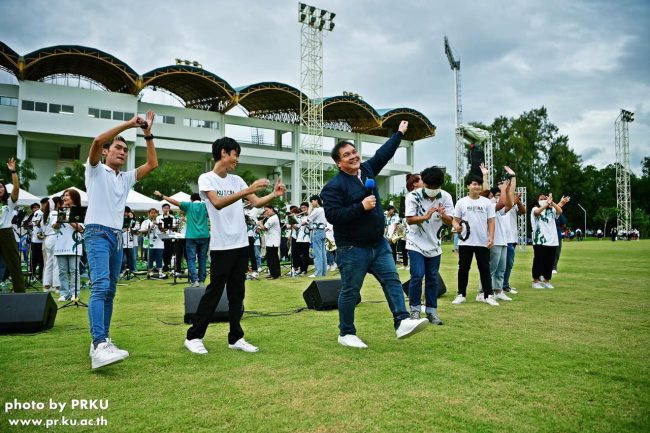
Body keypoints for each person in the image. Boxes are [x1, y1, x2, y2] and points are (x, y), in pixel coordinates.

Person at [321, 120, 428, 349]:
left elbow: (384, 153)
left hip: (378, 244)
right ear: (339, 163)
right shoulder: (333, 187)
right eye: (347, 155)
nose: (353, 156)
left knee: (392, 280)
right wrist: (361, 207)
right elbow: (332, 215)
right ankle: (346, 332)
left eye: (354, 151)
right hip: (352, 248)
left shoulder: (368, 170)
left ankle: (402, 321)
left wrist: (398, 134)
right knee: (350, 290)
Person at [184, 137, 286, 355]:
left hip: (241, 243)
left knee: (237, 293)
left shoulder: (237, 180)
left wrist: (273, 195)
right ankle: (194, 336)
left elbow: (256, 202)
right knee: (213, 292)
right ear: (223, 153)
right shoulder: (206, 179)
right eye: (235, 155)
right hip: (221, 246)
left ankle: (236, 337)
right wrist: (248, 189)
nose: (236, 160)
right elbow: (218, 203)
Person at [84, 111, 158, 369]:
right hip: (96, 232)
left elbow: (152, 165)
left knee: (110, 291)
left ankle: (101, 340)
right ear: (106, 152)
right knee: (101, 286)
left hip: (116, 236)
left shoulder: (124, 178)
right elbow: (95, 142)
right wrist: (129, 124)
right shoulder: (95, 170)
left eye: (126, 150)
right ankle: (99, 343)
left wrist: (147, 133)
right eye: (117, 147)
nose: (122, 152)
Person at [404, 166, 454, 325]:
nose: (432, 190)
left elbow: (451, 221)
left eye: (436, 187)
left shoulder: (446, 197)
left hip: (435, 244)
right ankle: (415, 310)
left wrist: (443, 214)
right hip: (415, 242)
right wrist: (425, 216)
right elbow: (410, 219)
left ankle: (431, 312)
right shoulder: (413, 196)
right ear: (423, 182)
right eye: (429, 186)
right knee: (417, 275)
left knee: (432, 278)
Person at [451, 174, 499, 306]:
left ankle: (488, 295)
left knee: (484, 268)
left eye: (478, 184)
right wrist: (456, 226)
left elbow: (491, 221)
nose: (477, 186)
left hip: (482, 241)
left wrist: (491, 237)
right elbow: (455, 220)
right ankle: (461, 294)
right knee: (463, 268)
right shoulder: (461, 202)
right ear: (468, 186)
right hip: (465, 241)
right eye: (474, 184)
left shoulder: (486, 202)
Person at [155, 191, 209, 287]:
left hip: (191, 236)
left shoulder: (189, 205)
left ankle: (194, 280)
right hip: (204, 235)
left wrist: (162, 195)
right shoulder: (205, 205)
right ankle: (201, 281)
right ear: (200, 199)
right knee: (202, 259)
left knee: (191, 258)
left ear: (191, 200)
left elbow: (174, 202)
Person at [531, 193, 569, 289]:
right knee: (538, 261)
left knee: (549, 262)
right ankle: (535, 281)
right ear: (538, 200)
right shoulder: (535, 209)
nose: (544, 199)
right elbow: (537, 213)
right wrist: (547, 204)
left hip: (552, 241)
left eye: (545, 198)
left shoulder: (552, 209)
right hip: (539, 240)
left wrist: (552, 203)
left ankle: (547, 280)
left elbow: (560, 210)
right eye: (541, 198)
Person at [52, 189, 84, 302]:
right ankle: (64, 293)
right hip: (60, 244)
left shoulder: (79, 210)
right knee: (62, 271)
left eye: (67, 195)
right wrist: (59, 219)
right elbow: (55, 227)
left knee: (74, 270)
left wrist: (68, 218)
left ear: (74, 198)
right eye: (64, 195)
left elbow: (80, 228)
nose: (65, 198)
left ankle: (74, 293)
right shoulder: (60, 211)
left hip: (74, 245)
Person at [0, 158, 25, 292]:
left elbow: (16, 188)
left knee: (14, 264)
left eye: (1, 186)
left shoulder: (9, 202)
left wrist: (13, 171)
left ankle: (20, 294)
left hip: (5, 233)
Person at [41, 196, 61, 293]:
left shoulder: (47, 214)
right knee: (56, 262)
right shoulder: (54, 213)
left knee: (49, 262)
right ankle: (57, 286)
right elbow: (55, 226)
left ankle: (47, 285)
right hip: (54, 237)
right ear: (57, 204)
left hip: (48, 238)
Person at [140, 208, 165, 278]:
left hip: (159, 242)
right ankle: (150, 271)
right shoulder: (145, 222)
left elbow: (164, 230)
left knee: (159, 257)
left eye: (155, 213)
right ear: (149, 214)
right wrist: (151, 227)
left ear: (157, 214)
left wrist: (158, 225)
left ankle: (159, 270)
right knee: (150, 257)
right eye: (152, 213)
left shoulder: (160, 221)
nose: (153, 214)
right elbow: (143, 232)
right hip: (149, 242)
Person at [259, 205, 281, 279]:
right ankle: (275, 273)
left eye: (267, 210)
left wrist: (260, 223)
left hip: (272, 241)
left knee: (272, 258)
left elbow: (265, 228)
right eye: (265, 211)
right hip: (272, 240)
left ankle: (274, 274)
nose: (266, 212)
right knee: (273, 258)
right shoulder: (273, 217)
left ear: (272, 209)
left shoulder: (273, 218)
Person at [308, 194, 328, 277]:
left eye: (312, 201)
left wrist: (310, 208)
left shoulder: (317, 210)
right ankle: (323, 272)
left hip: (317, 231)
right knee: (323, 253)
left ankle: (318, 273)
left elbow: (308, 219)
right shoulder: (323, 209)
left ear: (316, 200)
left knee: (317, 253)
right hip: (323, 231)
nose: (312, 203)